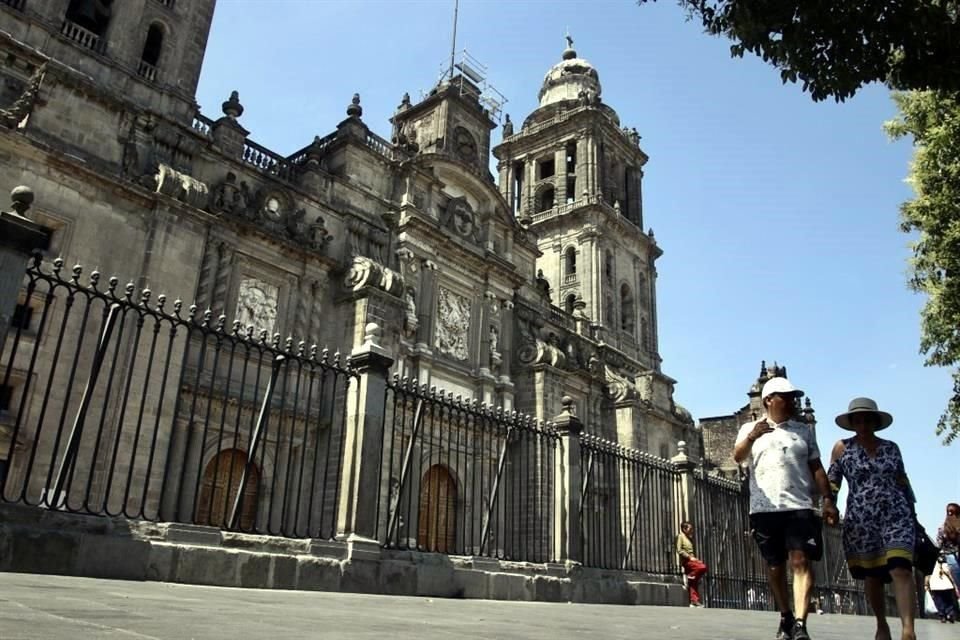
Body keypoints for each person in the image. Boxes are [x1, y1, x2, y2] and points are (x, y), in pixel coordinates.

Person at [733, 377, 837, 640]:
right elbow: (738, 456)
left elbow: (816, 467)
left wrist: (827, 499)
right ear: (769, 400)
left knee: (801, 561)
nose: (792, 401)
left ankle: (800, 623)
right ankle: (785, 615)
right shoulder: (748, 428)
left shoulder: (802, 431)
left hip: (799, 505)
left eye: (793, 397)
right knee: (775, 566)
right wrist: (753, 436)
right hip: (763, 508)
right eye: (786, 397)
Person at [826, 397, 917, 640]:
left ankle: (908, 630)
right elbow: (832, 482)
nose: (863, 424)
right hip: (861, 520)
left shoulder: (891, 447)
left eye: (868, 419)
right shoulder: (842, 448)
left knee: (901, 568)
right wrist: (829, 505)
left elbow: (903, 481)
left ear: (875, 422)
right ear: (852, 423)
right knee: (873, 575)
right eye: (858, 420)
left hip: (897, 514)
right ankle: (881, 623)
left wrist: (913, 515)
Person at [676, 521, 708, 607]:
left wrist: (695, 559)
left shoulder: (689, 538)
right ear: (684, 529)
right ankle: (691, 575)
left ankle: (694, 601)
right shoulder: (680, 537)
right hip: (687, 561)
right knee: (703, 567)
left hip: (692, 560)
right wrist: (690, 557)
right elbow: (679, 550)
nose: (692, 530)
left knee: (694, 582)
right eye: (690, 528)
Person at [925, 554, 959, 623]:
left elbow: (927, 575)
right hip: (946, 585)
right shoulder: (944, 565)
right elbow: (948, 572)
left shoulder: (930, 565)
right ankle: (949, 614)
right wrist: (954, 583)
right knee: (948, 601)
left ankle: (942, 615)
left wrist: (926, 584)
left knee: (939, 601)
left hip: (935, 586)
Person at [936, 503, 960, 588]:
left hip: (950, 556)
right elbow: (939, 544)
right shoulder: (943, 528)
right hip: (951, 557)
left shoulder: (942, 528)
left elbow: (939, 544)